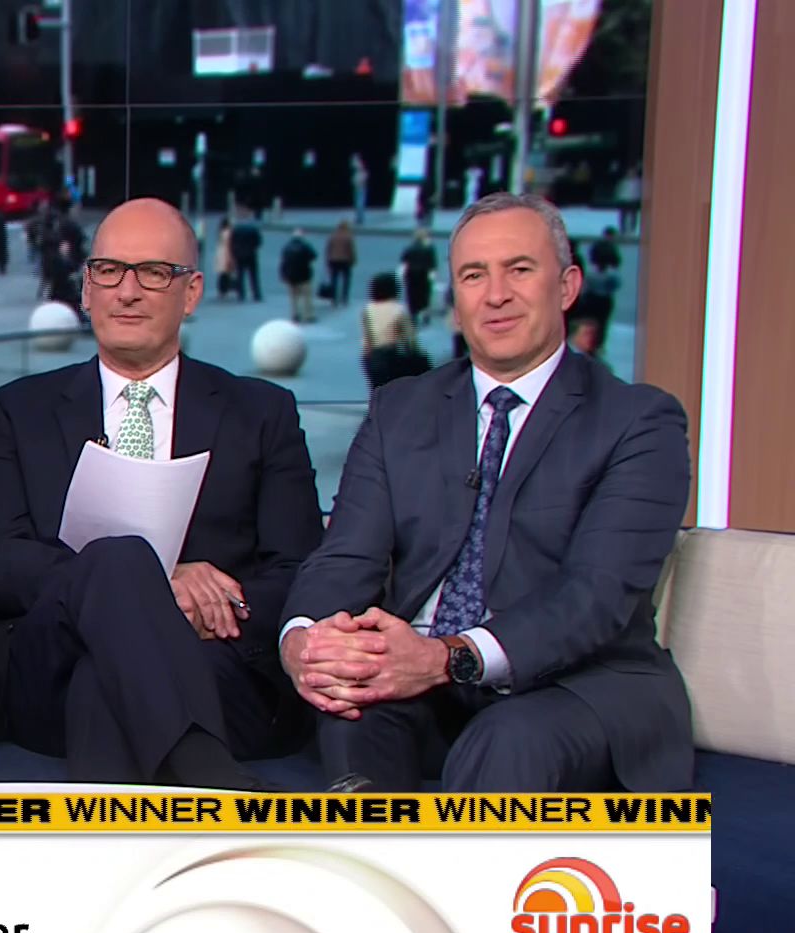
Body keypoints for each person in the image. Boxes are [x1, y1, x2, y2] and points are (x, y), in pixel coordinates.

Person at [279, 193, 693, 793]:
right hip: (417, 677)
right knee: (352, 711)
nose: (495, 294)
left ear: (567, 286)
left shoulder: (639, 422)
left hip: (574, 686)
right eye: (474, 276)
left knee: (509, 739)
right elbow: (344, 557)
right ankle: (375, 851)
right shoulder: (400, 409)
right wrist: (305, 641)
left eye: (519, 269)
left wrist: (447, 656)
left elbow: (594, 597)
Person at [0, 198, 324, 789]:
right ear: (86, 288)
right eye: (108, 270)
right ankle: (219, 789)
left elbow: (299, 572)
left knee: (102, 683)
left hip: (213, 669)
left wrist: (204, 608)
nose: (126, 292)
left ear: (191, 292)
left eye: (154, 273)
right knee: (120, 558)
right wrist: (145, 585)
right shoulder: (19, 410)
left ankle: (189, 779)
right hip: (47, 669)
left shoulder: (261, 413)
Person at [361, 271, 426, 390]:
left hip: (374, 357)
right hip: (392, 357)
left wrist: (367, 359)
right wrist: (417, 355)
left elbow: (367, 340)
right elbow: (410, 340)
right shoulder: (399, 310)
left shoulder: (368, 310)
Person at [279, 227, 318, 323]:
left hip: (291, 276)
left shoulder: (286, 247)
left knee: (293, 297)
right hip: (304, 275)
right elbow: (314, 256)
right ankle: (308, 315)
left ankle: (295, 314)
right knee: (306, 296)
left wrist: (283, 275)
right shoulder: (305, 247)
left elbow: (283, 262)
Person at [400, 228, 437, 325]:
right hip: (424, 275)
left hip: (411, 275)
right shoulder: (429, 249)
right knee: (425, 296)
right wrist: (432, 276)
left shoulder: (409, 248)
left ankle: (413, 315)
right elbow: (432, 264)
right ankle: (425, 315)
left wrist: (403, 276)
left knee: (412, 296)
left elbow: (404, 263)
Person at [229, 213, 263, 302]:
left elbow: (232, 243)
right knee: (253, 275)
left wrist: (235, 253)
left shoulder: (236, 229)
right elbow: (258, 242)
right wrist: (253, 248)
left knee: (240, 275)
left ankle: (241, 294)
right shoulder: (253, 229)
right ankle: (256, 294)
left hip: (240, 255)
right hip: (251, 254)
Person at [325, 219, 357, 307]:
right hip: (345, 261)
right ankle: (344, 298)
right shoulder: (349, 236)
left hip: (333, 260)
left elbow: (328, 249)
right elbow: (352, 250)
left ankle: (334, 299)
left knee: (334, 279)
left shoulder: (333, 235)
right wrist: (354, 260)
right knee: (346, 280)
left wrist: (328, 260)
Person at [351, 153, 370, 224]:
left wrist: (360, 181)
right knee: (358, 203)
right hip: (358, 186)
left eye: (354, 160)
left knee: (359, 203)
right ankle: (359, 218)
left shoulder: (361, 167)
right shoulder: (358, 168)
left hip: (361, 186)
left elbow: (365, 174)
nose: (353, 162)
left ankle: (360, 218)